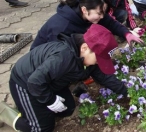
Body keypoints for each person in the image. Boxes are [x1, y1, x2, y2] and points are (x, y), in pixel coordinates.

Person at [0, 24, 128, 132]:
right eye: (99, 58)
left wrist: (126, 92)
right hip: (25, 82)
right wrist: (50, 100)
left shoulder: (87, 57)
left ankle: (33, 107)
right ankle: (5, 112)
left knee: (67, 109)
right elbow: (34, 82)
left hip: (49, 81)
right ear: (84, 48)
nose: (99, 63)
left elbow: (105, 77)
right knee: (42, 128)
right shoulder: (63, 57)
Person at [30, 0, 142, 50]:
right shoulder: (62, 27)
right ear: (84, 10)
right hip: (42, 62)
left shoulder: (91, 10)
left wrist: (127, 34)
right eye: (99, 13)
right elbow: (55, 57)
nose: (102, 17)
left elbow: (110, 22)